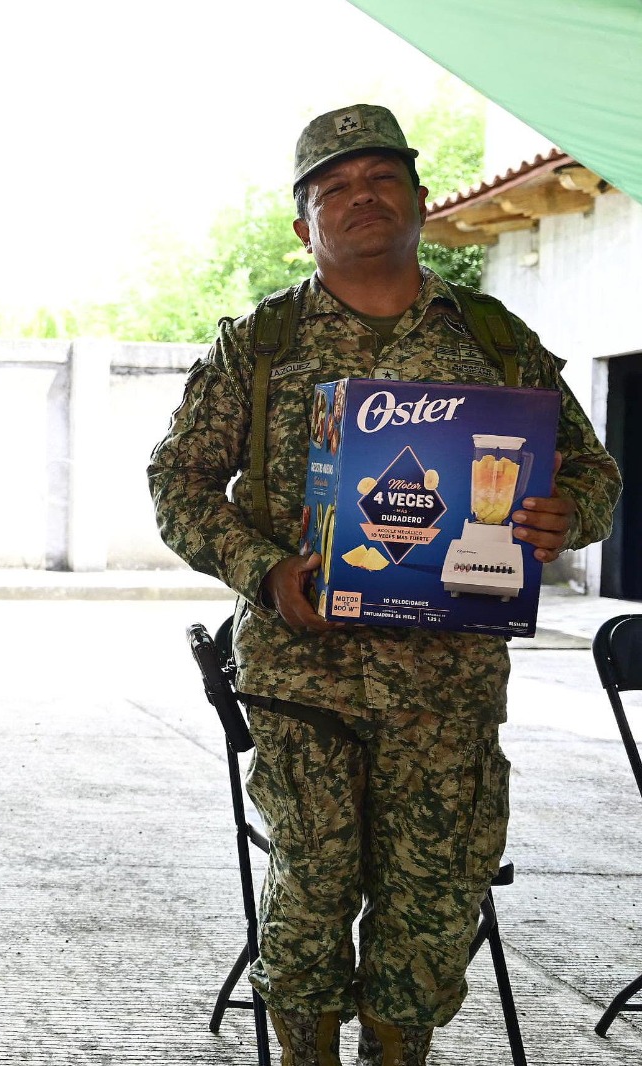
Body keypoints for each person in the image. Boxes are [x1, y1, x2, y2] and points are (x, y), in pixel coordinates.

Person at [148, 105, 621, 1065]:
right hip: (303, 679)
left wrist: (567, 513)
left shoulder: (492, 337)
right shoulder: (261, 345)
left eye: (381, 179)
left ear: (419, 200)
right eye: (335, 187)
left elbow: (594, 471)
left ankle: (399, 1054)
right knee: (312, 892)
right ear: (303, 225)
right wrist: (265, 572)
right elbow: (177, 482)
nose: (360, 197)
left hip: (448, 686)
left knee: (435, 899)